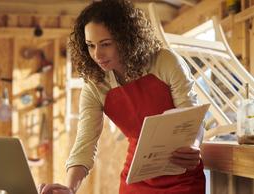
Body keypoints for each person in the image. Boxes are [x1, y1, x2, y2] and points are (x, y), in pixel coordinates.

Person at [39, 0, 205, 193]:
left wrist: (193, 145)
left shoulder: (164, 61)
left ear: (127, 39)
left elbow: (191, 116)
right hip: (136, 179)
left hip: (182, 175)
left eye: (106, 44)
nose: (97, 54)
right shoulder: (95, 85)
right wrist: (69, 188)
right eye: (90, 45)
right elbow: (84, 144)